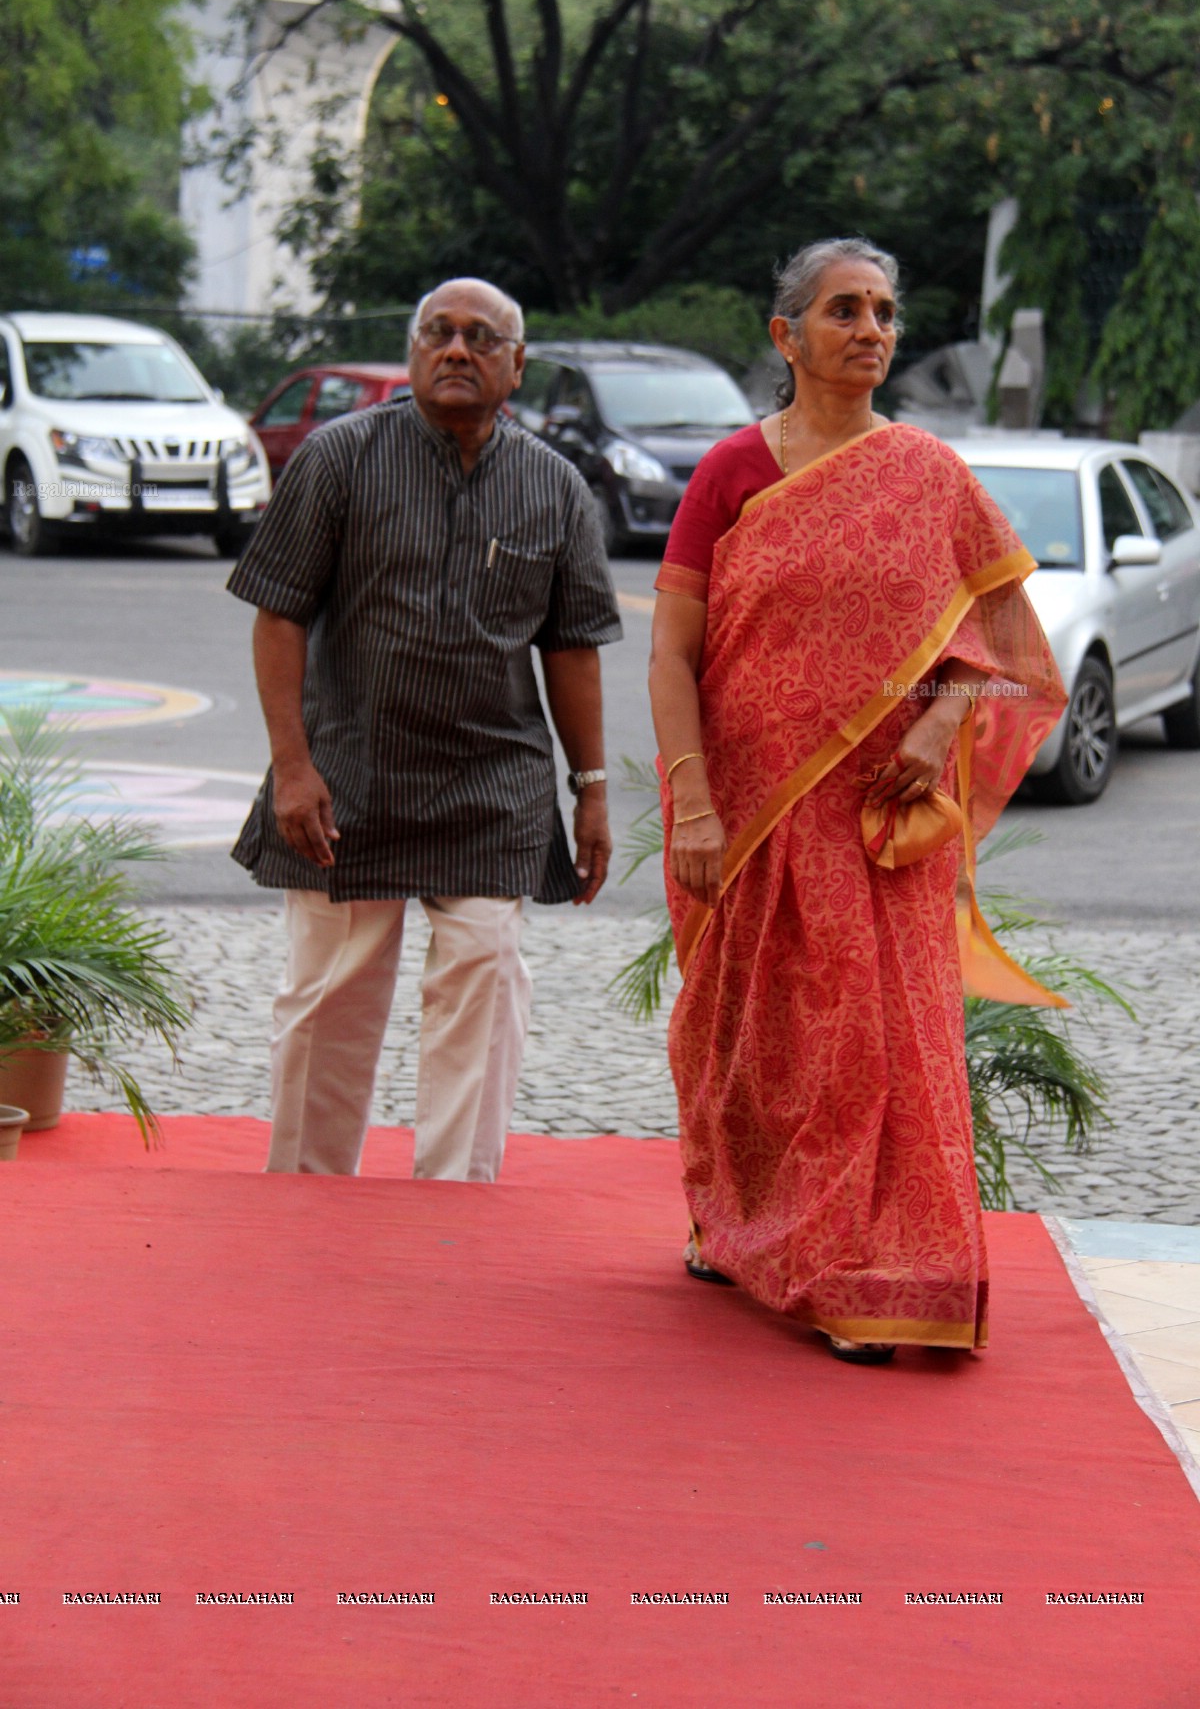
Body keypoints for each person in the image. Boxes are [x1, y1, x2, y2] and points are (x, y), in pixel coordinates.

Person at [647, 237, 1066, 1362]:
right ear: (787, 336)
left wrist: (936, 729)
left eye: (884, 309)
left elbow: (994, 644)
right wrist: (690, 805)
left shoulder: (927, 474)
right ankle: (738, 1223)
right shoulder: (735, 469)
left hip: (881, 819)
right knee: (746, 1033)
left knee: (872, 1042)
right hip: (747, 805)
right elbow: (673, 652)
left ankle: (857, 1265)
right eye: (844, 309)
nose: (871, 328)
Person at [228, 277, 621, 1180]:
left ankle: (453, 1202)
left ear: (516, 367)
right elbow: (278, 614)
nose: (456, 351)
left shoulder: (556, 488)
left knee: (485, 969)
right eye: (436, 334)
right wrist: (294, 764)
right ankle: (305, 1197)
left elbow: (571, 650)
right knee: (332, 991)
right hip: (349, 768)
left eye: (481, 338)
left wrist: (592, 791)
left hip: (494, 780)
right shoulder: (337, 459)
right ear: (411, 354)